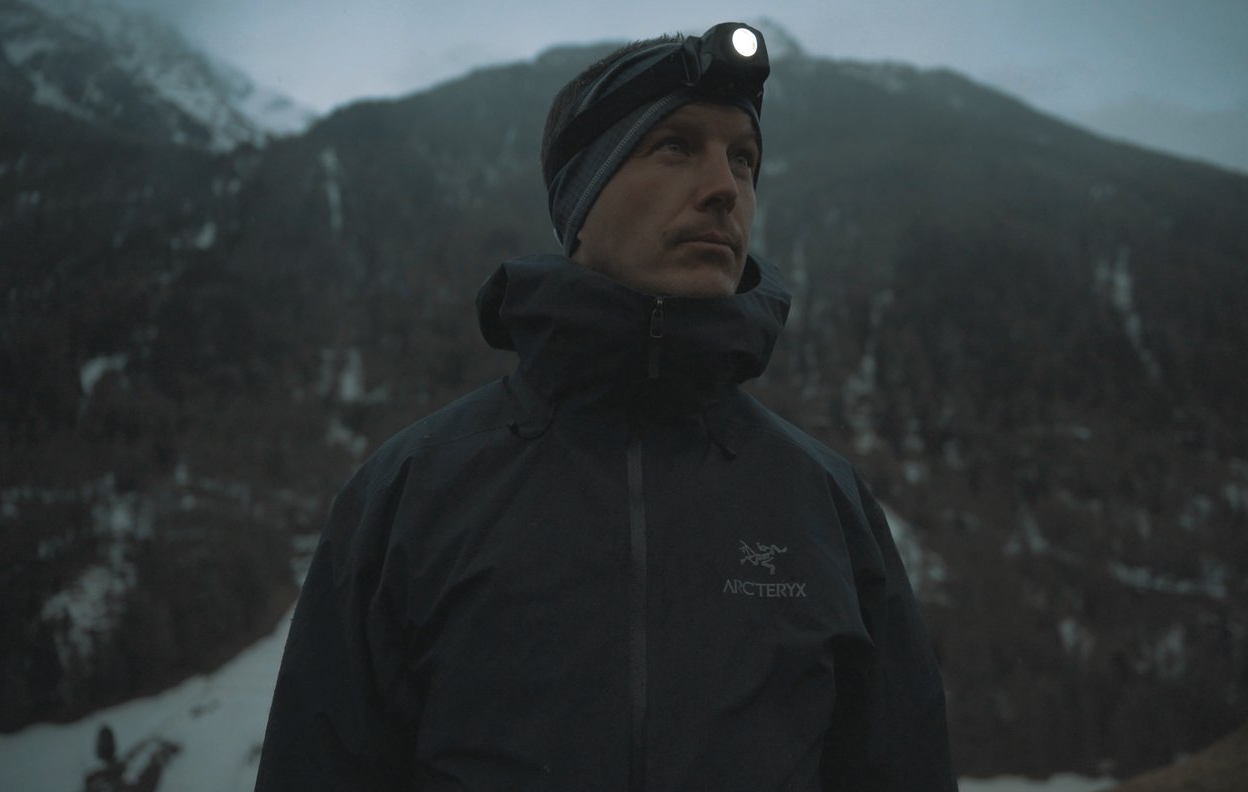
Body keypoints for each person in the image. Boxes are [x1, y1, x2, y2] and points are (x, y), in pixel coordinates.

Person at [256, 22, 955, 791]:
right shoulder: (409, 495)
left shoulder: (826, 505)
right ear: (582, 197)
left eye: (743, 159)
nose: (725, 188)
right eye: (675, 146)